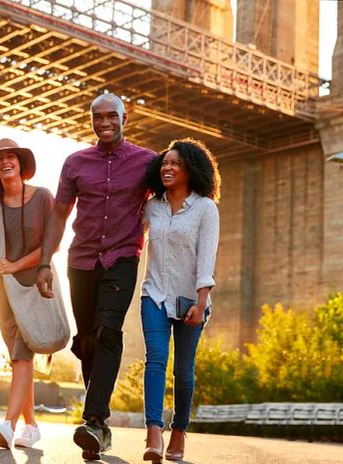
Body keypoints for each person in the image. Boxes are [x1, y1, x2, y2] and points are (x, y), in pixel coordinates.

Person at [35, 93, 156, 460]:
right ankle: (99, 429)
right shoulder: (75, 162)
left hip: (121, 258)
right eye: (97, 117)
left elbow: (173, 193)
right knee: (86, 340)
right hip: (81, 260)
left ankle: (93, 418)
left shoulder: (147, 162)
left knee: (107, 332)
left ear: (125, 118)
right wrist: (44, 262)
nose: (104, 123)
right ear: (90, 120)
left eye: (111, 116)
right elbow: (58, 213)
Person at [140, 138, 220, 462]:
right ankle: (153, 434)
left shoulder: (205, 209)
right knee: (156, 359)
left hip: (191, 299)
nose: (167, 168)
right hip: (155, 294)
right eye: (164, 164)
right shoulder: (151, 206)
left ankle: (178, 432)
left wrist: (201, 304)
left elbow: (206, 259)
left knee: (184, 371)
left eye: (175, 163)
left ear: (191, 168)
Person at [0, 138, 55, 450]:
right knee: (19, 359)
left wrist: (17, 264)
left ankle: (8, 424)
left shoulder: (43, 197)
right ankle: (31, 426)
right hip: (1, 291)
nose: (5, 162)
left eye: (11, 157)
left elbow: (52, 243)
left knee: (23, 354)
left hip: (34, 287)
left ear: (21, 164)